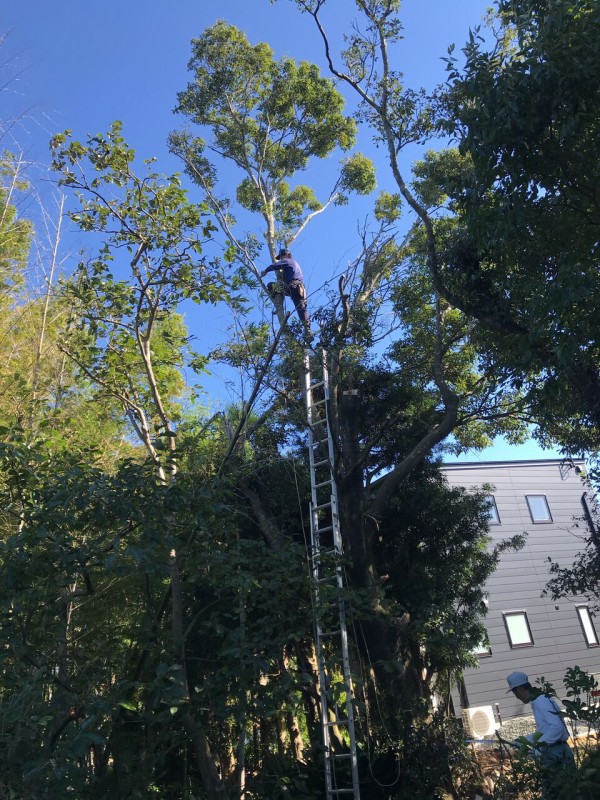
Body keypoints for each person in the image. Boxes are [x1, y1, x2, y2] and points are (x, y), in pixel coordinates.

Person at [506, 670, 575, 797]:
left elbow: (557, 728)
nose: (516, 696)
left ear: (520, 689)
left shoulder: (540, 701)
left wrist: (538, 747)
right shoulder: (539, 699)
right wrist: (522, 741)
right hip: (557, 749)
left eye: (514, 692)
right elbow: (545, 731)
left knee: (555, 794)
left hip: (555, 753)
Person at [260, 248, 311, 338]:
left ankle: (278, 303)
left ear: (287, 255)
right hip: (299, 290)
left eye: (282, 256)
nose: (282, 258)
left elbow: (276, 265)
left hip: (292, 286)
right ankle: (307, 331)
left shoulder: (289, 261)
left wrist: (266, 270)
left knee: (271, 285)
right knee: (301, 309)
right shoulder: (294, 264)